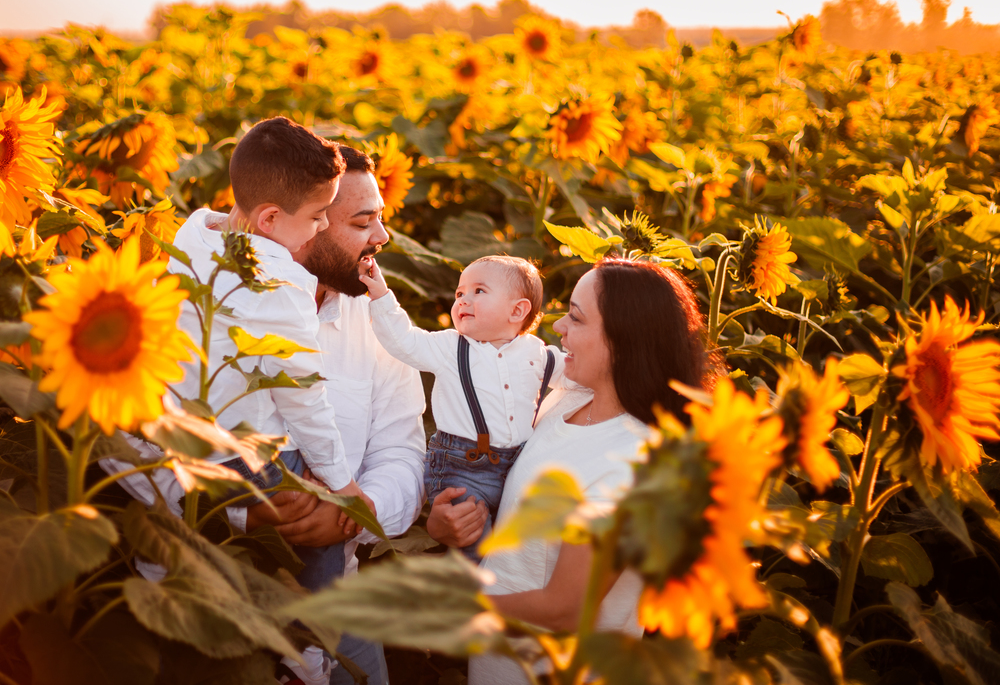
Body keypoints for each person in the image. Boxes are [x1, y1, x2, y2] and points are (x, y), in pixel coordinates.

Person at [103, 142, 426, 684]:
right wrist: (240, 516)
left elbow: (402, 448)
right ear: (298, 223)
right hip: (203, 595)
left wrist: (355, 509)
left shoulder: (380, 321)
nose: (382, 237)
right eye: (361, 221)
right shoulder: (180, 293)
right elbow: (122, 439)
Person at [425, 258, 717, 685]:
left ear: (623, 339)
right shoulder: (570, 398)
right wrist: (448, 523)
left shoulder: (636, 463)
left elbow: (567, 607)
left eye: (576, 318)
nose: (558, 326)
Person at [359, 255, 562, 561]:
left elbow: (580, 374)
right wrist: (381, 296)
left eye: (478, 291)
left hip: (516, 467)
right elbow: (404, 341)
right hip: (462, 469)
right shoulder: (450, 347)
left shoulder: (537, 354)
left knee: (516, 551)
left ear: (517, 310)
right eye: (459, 293)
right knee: (475, 547)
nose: (463, 300)